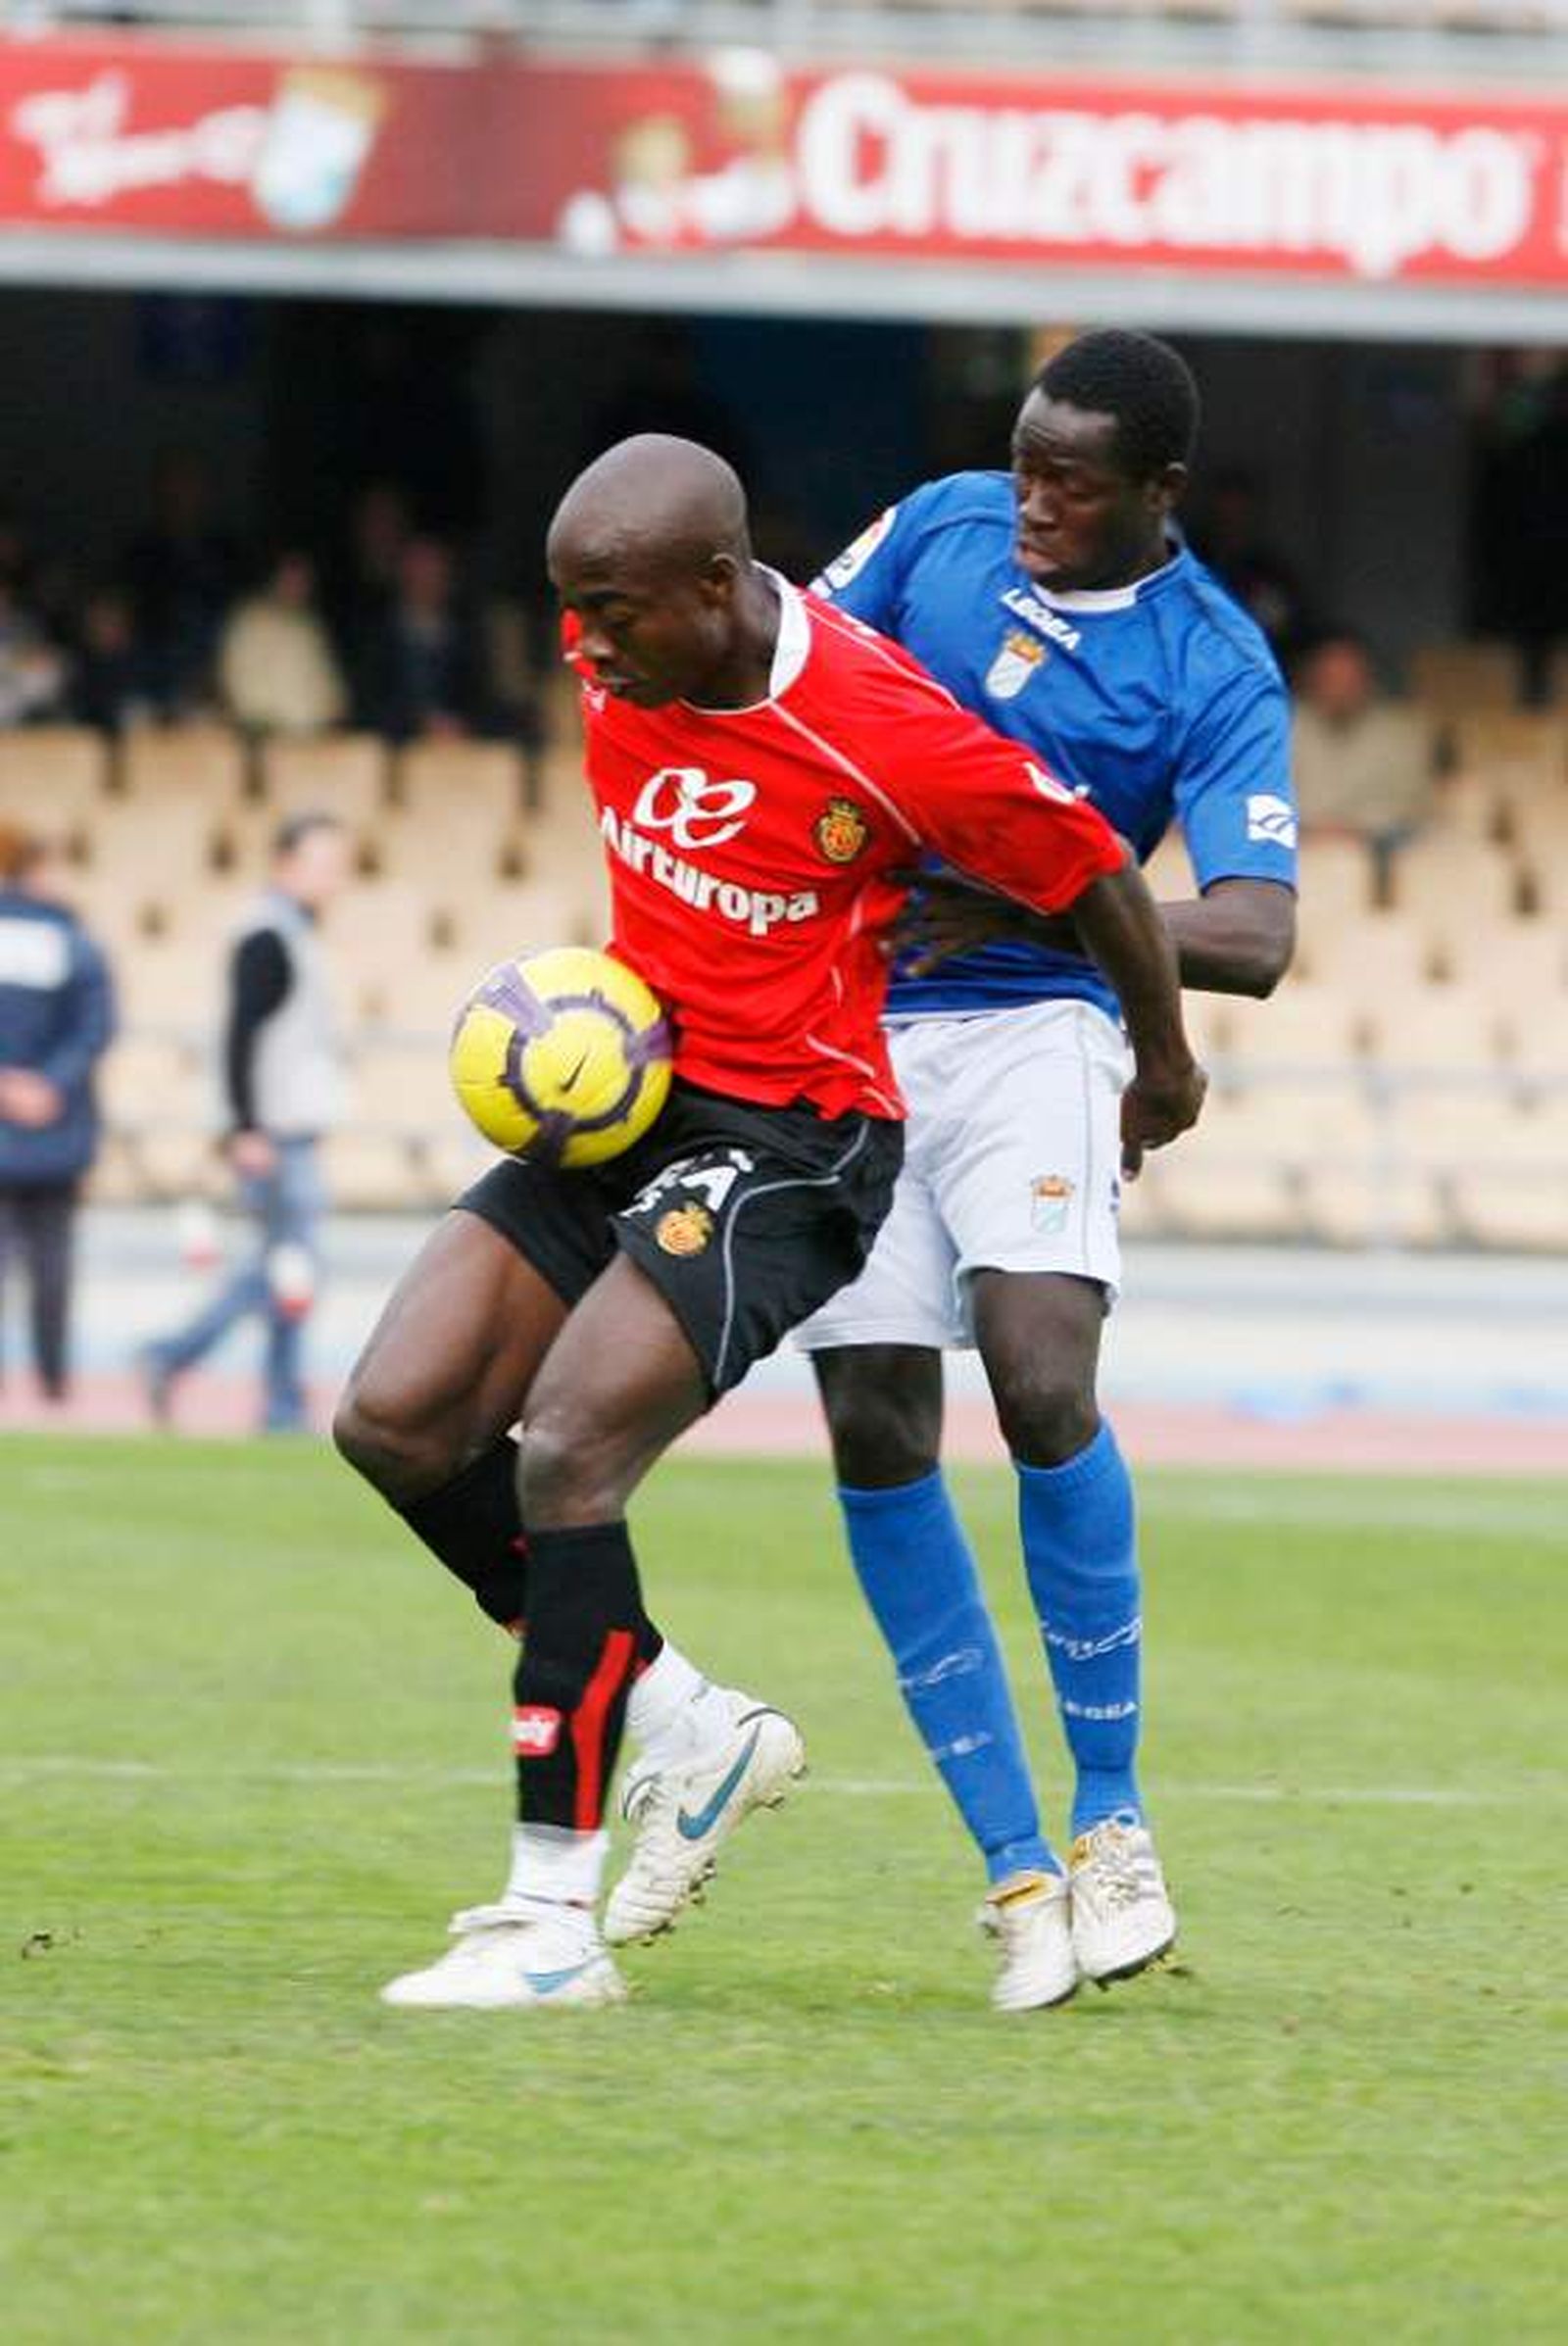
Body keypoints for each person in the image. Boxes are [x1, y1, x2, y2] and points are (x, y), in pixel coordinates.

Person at [333, 431, 1205, 2014]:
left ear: (719, 587)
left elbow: (1092, 870)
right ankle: (686, 1718)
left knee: (567, 1449)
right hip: (633, 1094)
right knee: (394, 1416)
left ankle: (550, 1921)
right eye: (567, 608)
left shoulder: (882, 728)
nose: (580, 644)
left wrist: (1165, 1059)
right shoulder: (622, 632)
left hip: (798, 1140)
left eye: (607, 610)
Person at [794, 330, 1298, 2011]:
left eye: (1069, 480)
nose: (1030, 499)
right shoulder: (934, 528)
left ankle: (1111, 1813)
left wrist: (1044, 891)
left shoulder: (1210, 662)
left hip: (1038, 1028)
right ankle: (1012, 1866)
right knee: (872, 1412)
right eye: (1023, 459)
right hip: (858, 1017)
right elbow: (784, 676)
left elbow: (1256, 930)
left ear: (1160, 492)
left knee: (1037, 1377)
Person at [140, 813, 351, 1435]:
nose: (334, 879)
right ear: (285, 864)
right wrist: (247, 1128)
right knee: (287, 1270)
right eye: (322, 864)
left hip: (284, 1129)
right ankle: (194, 1361)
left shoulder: (290, 934)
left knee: (284, 1268)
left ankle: (260, 1389)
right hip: (275, 1135)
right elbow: (240, 1036)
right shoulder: (268, 938)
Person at [0, 822, 115, 1402]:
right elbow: (95, 1028)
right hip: (57, 1127)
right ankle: (53, 1383)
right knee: (52, 1264)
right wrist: (49, 1084)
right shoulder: (74, 941)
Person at [1292, 630, 1437, 891]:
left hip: (1377, 846)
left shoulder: (1401, 730)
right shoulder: (1277, 728)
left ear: (1366, 679)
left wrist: (1354, 831)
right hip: (1295, 843)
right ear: (1312, 679)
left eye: (1349, 678)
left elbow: (1410, 801)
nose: (1339, 687)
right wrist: (1310, 830)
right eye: (1331, 677)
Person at [218, 549, 348, 738]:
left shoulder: (310, 626)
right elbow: (240, 688)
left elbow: (329, 691)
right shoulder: (251, 621)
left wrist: (331, 716)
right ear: (276, 576)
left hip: (315, 737)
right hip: (264, 737)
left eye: (304, 579)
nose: (299, 584)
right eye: (292, 576)